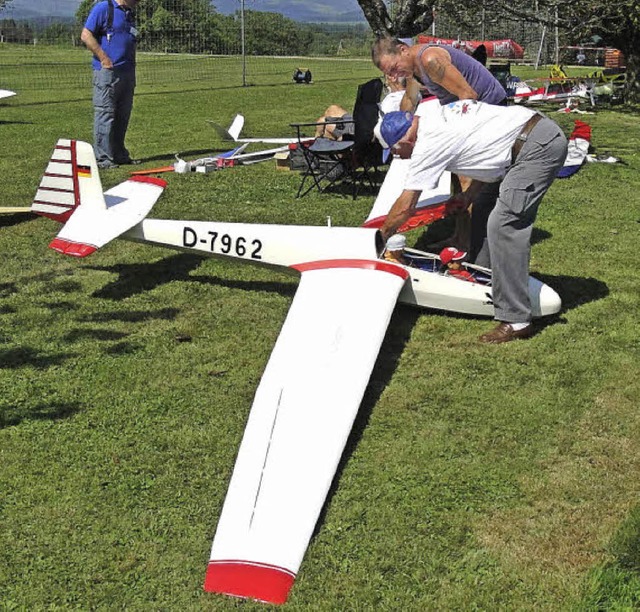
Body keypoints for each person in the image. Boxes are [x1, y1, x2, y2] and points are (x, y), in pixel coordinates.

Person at [377, 102, 568, 344]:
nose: (398, 157)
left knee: (505, 224)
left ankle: (517, 319)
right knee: (483, 207)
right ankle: (483, 277)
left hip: (536, 147)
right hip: (524, 138)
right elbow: (483, 155)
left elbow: (406, 205)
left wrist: (381, 235)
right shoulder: (430, 119)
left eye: (395, 152)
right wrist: (467, 196)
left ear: (404, 140)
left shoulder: (428, 142)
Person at [372, 36, 508, 263]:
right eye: (390, 73)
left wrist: (448, 141)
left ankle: (470, 247)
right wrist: (402, 122)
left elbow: (469, 97)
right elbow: (410, 99)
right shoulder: (413, 69)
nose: (395, 76)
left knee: (468, 181)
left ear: (403, 50)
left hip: (488, 111)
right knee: (457, 181)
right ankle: (459, 237)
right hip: (467, 115)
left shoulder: (430, 59)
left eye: (395, 68)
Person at [81, 0, 140, 169]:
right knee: (105, 114)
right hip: (107, 73)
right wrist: (103, 58)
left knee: (123, 115)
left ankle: (119, 154)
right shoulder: (103, 8)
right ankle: (103, 159)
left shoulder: (129, 13)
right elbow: (86, 34)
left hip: (127, 73)